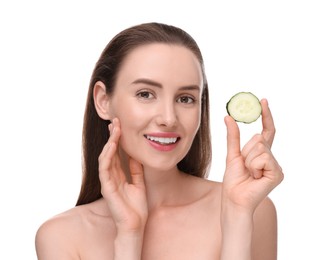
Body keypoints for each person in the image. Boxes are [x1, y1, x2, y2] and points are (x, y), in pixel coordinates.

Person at [35, 22, 284, 260]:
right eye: (145, 94)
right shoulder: (60, 236)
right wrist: (129, 236)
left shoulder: (252, 208)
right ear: (103, 100)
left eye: (185, 98)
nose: (168, 118)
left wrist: (238, 218)